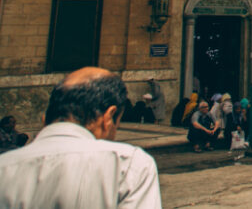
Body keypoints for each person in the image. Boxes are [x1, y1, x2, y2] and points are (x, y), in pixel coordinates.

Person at [0, 66, 162, 208]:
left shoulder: (5, 167)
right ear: (108, 117)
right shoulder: (128, 165)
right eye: (116, 124)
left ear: (45, 120)